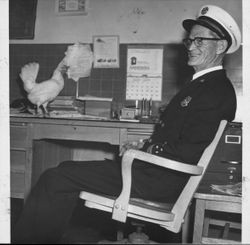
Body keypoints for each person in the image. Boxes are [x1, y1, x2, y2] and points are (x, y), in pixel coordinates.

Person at [12, 5, 241, 244]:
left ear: (221, 46)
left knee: (55, 178)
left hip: (158, 181)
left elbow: (187, 150)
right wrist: (143, 146)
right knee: (65, 167)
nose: (191, 46)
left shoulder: (213, 91)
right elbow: (181, 139)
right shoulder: (205, 85)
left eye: (200, 41)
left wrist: (146, 151)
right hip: (156, 174)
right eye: (190, 40)